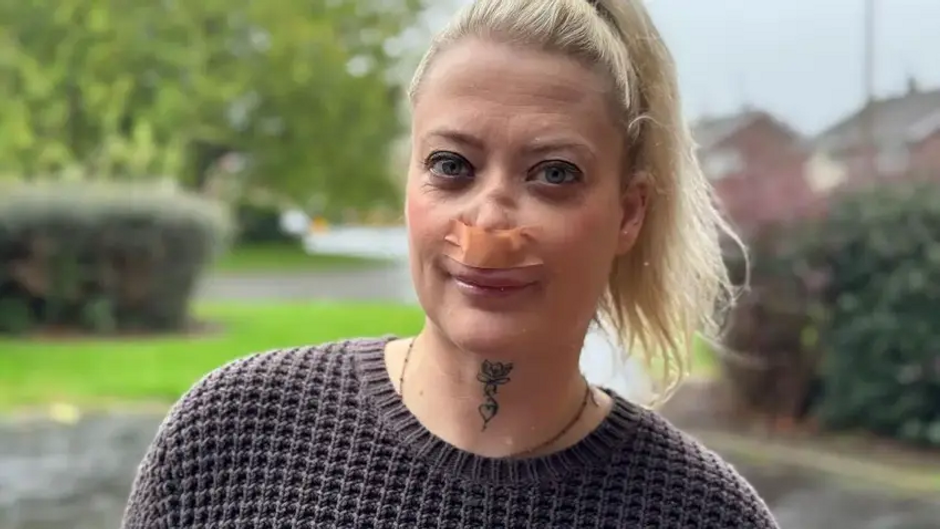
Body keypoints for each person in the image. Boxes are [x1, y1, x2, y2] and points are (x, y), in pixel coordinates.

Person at [122, 0, 778, 527]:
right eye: (451, 165)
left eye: (554, 173)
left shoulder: (706, 513)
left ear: (629, 214)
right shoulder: (228, 436)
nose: (488, 222)